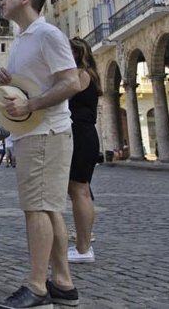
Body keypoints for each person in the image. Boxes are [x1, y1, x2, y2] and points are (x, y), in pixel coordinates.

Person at [0, 0, 81, 309]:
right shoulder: (22, 40)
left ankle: (36, 287)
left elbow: (70, 82)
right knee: (48, 208)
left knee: (36, 210)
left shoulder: (47, 35)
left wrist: (30, 106)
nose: (2, 1)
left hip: (45, 133)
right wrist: (9, 81)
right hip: (34, 134)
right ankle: (63, 283)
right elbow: (36, 83)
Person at [66, 37, 102, 264]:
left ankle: (83, 248)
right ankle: (83, 243)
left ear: (77, 54)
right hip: (83, 135)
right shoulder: (87, 73)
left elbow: (64, 95)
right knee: (80, 190)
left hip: (81, 136)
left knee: (80, 191)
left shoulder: (80, 75)